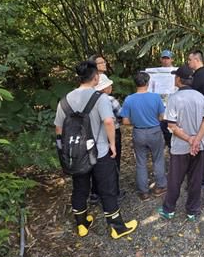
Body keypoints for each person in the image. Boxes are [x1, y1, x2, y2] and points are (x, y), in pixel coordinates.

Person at [54, 61, 137, 239]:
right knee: (107, 188)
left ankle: (82, 224)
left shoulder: (64, 100)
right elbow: (108, 122)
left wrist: (65, 152)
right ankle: (117, 227)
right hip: (99, 151)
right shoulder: (100, 98)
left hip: (77, 155)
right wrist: (112, 144)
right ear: (96, 77)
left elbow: (59, 129)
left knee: (79, 188)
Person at [158, 64, 204, 222]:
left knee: (175, 179)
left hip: (180, 147)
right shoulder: (200, 97)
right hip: (199, 146)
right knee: (195, 179)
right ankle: (192, 211)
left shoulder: (174, 98)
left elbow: (172, 126)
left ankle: (169, 209)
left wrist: (189, 140)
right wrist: (196, 140)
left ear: (179, 79)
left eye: (175, 76)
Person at [120, 72, 167, 201]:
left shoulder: (129, 99)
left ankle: (144, 192)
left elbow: (125, 121)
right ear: (147, 83)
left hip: (138, 132)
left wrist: (137, 121)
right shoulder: (156, 97)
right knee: (158, 159)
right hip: (155, 131)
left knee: (141, 162)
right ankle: (160, 187)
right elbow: (162, 117)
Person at [89, 74, 124, 205]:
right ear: (104, 88)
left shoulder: (89, 100)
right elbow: (121, 115)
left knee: (95, 162)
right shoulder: (110, 100)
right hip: (111, 133)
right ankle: (114, 191)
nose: (111, 87)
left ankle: (95, 193)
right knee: (113, 162)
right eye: (109, 85)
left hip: (93, 134)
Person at [188, 50, 204, 187]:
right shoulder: (199, 74)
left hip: (201, 115)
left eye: (190, 60)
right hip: (201, 113)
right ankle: (199, 174)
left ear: (196, 60)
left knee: (201, 144)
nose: (188, 62)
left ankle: (202, 176)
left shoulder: (201, 75)